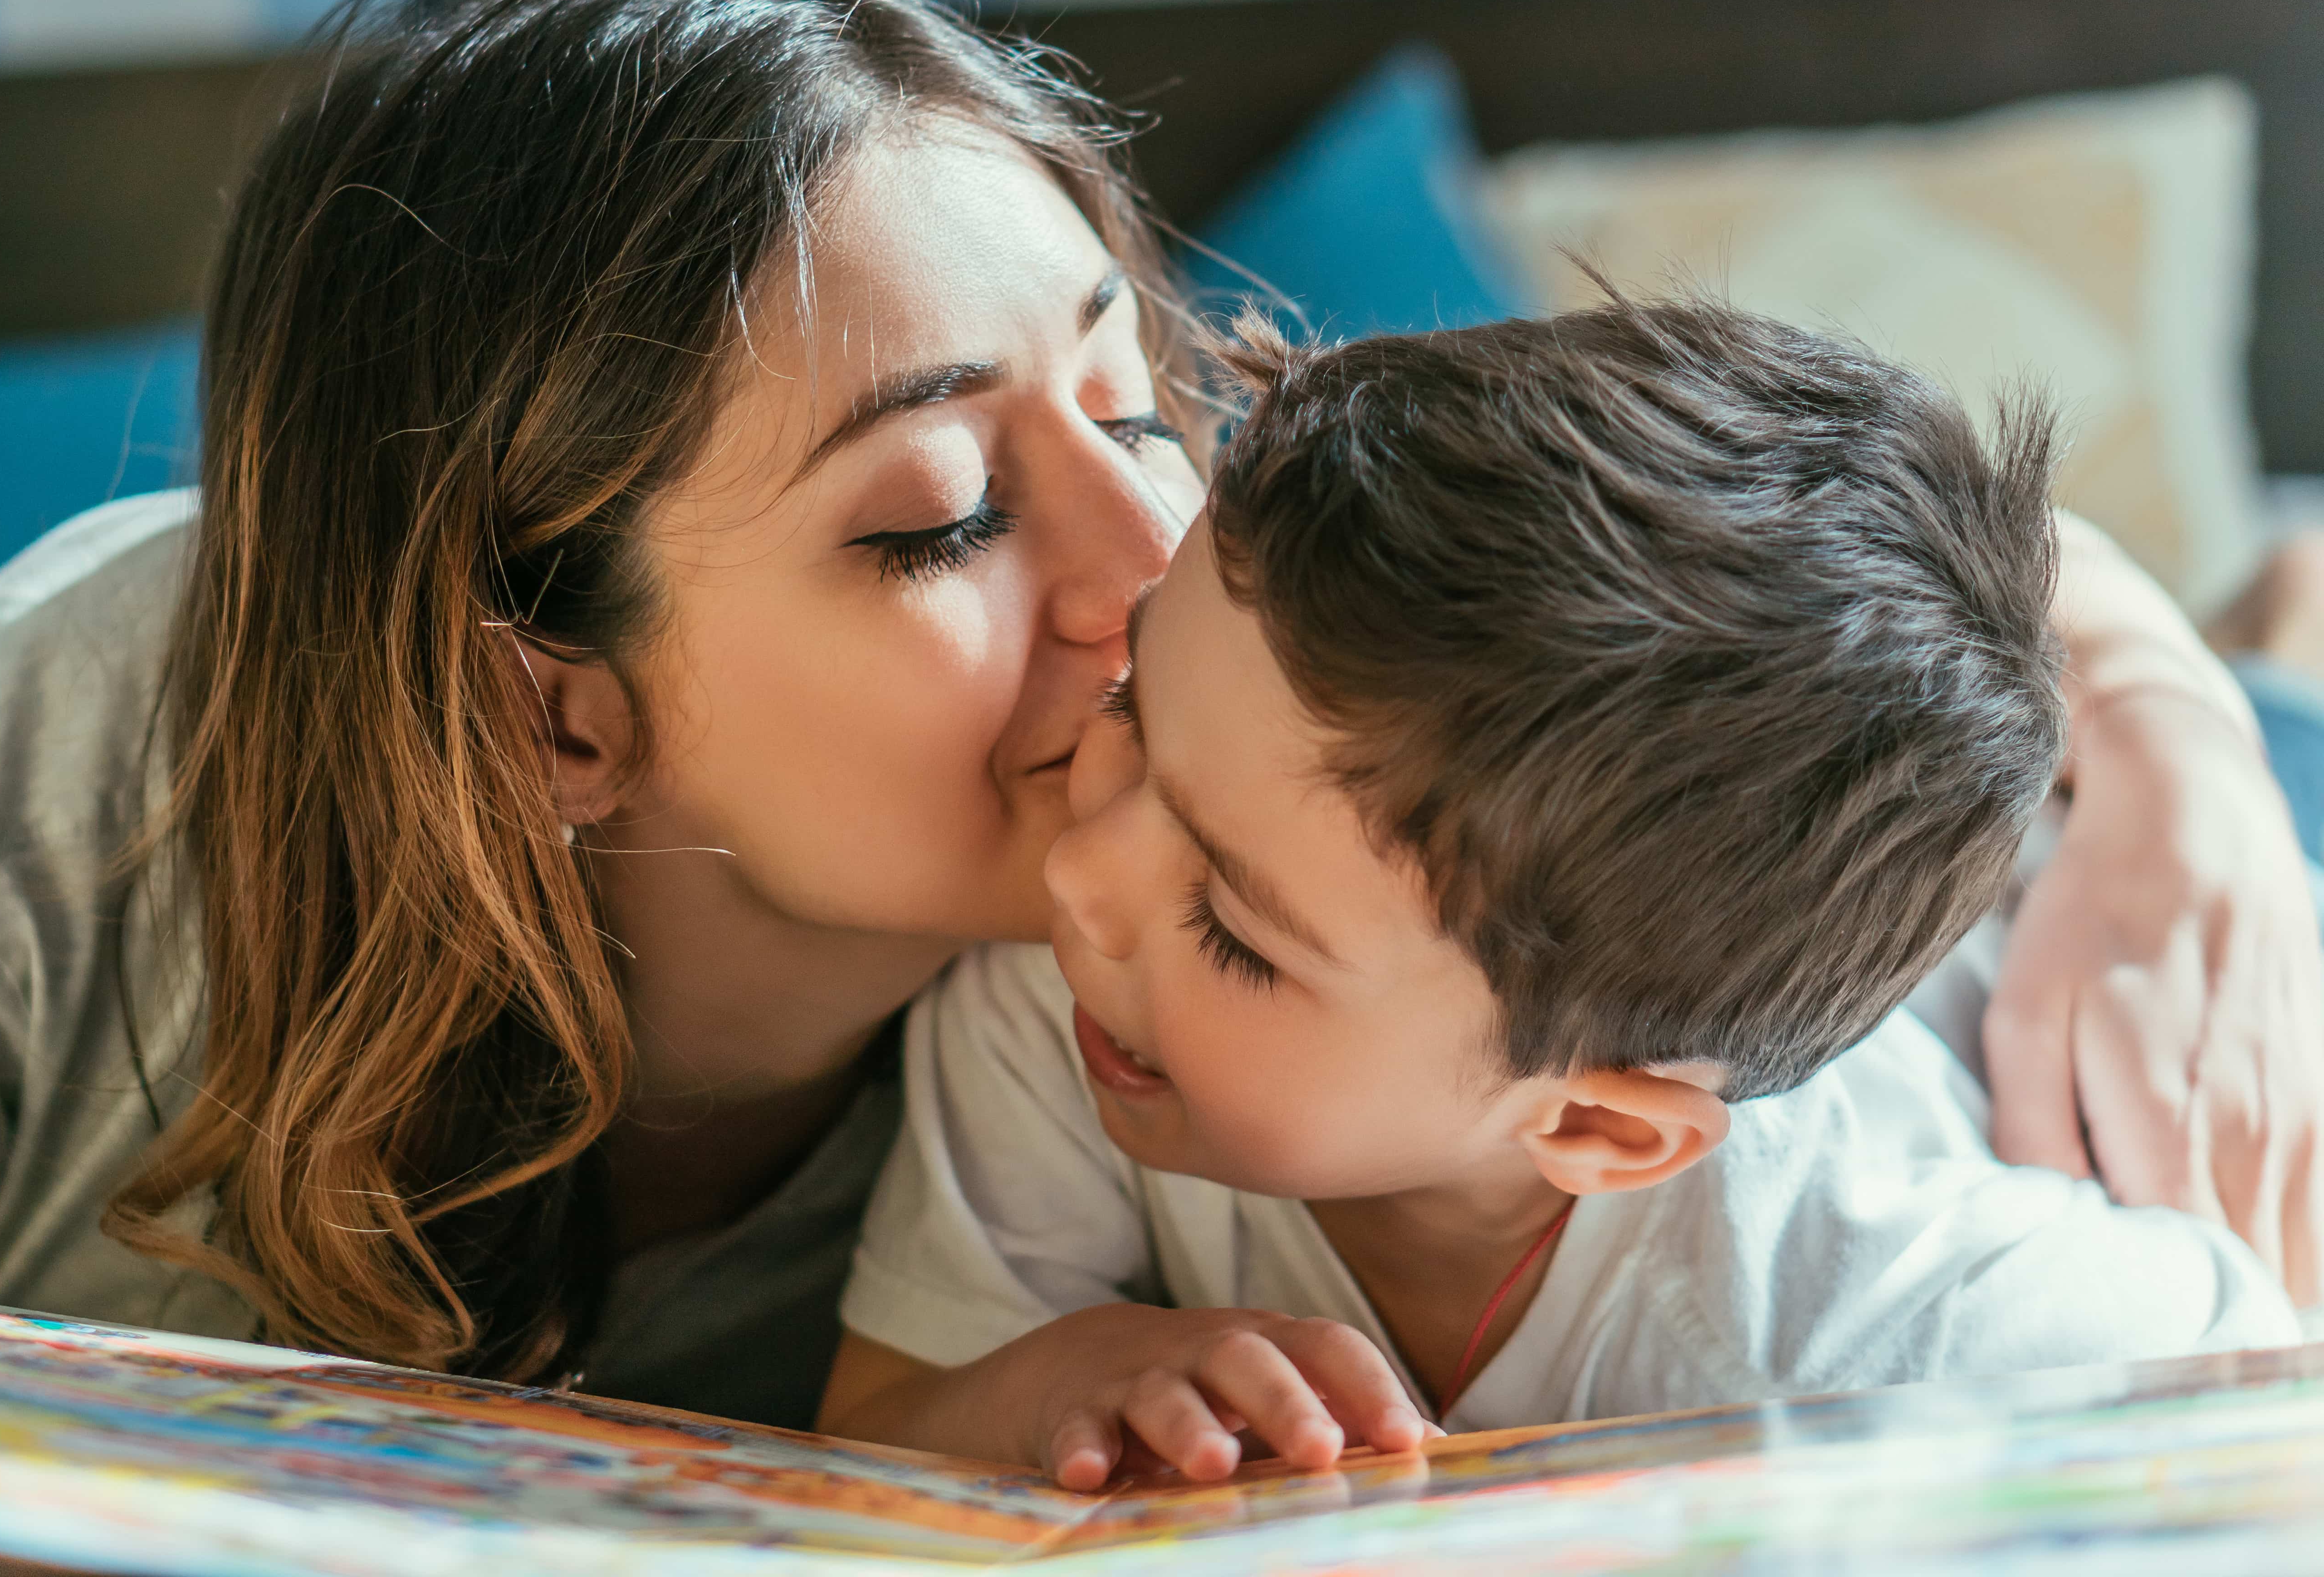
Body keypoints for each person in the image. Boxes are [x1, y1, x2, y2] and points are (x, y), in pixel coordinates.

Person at [0, 0, 2314, 1437]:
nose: (1161, 557)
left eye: (1144, 398)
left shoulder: (1276, 747)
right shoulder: (36, 785)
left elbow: (1796, 537)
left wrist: (2179, 746)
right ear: (553, 711)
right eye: (932, 520)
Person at [817, 311, 2303, 1489]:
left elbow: (2259, 1398)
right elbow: (870, 1426)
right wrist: (1048, 1379)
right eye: (1134, 712)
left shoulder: (1889, 1316)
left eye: (1231, 927)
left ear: (1599, 1127)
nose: (1080, 875)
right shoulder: (1070, 1002)